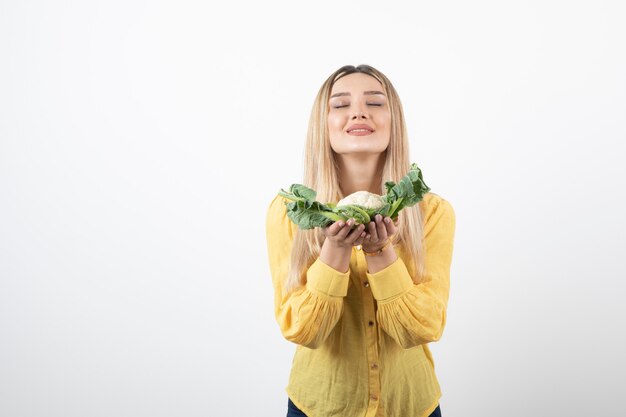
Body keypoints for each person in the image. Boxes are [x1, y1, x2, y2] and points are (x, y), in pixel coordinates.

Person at [265, 64, 456, 417]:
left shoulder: (431, 213)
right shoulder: (288, 212)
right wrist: (334, 252)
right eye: (340, 105)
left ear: (393, 121)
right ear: (322, 126)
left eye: (375, 103)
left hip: (410, 405)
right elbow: (303, 330)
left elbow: (422, 329)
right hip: (319, 407)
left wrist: (381, 253)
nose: (358, 111)